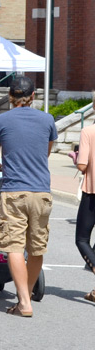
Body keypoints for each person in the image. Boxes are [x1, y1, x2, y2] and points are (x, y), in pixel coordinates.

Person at [0, 75, 57, 317]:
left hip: (14, 190)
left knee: (14, 246)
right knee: (36, 247)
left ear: (10, 97)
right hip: (41, 191)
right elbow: (45, 153)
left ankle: (24, 302)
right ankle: (24, 296)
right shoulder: (47, 119)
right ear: (33, 96)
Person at [75, 96, 95, 302]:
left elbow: (82, 165)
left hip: (93, 192)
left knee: (82, 239)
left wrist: (76, 158)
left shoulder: (88, 132)